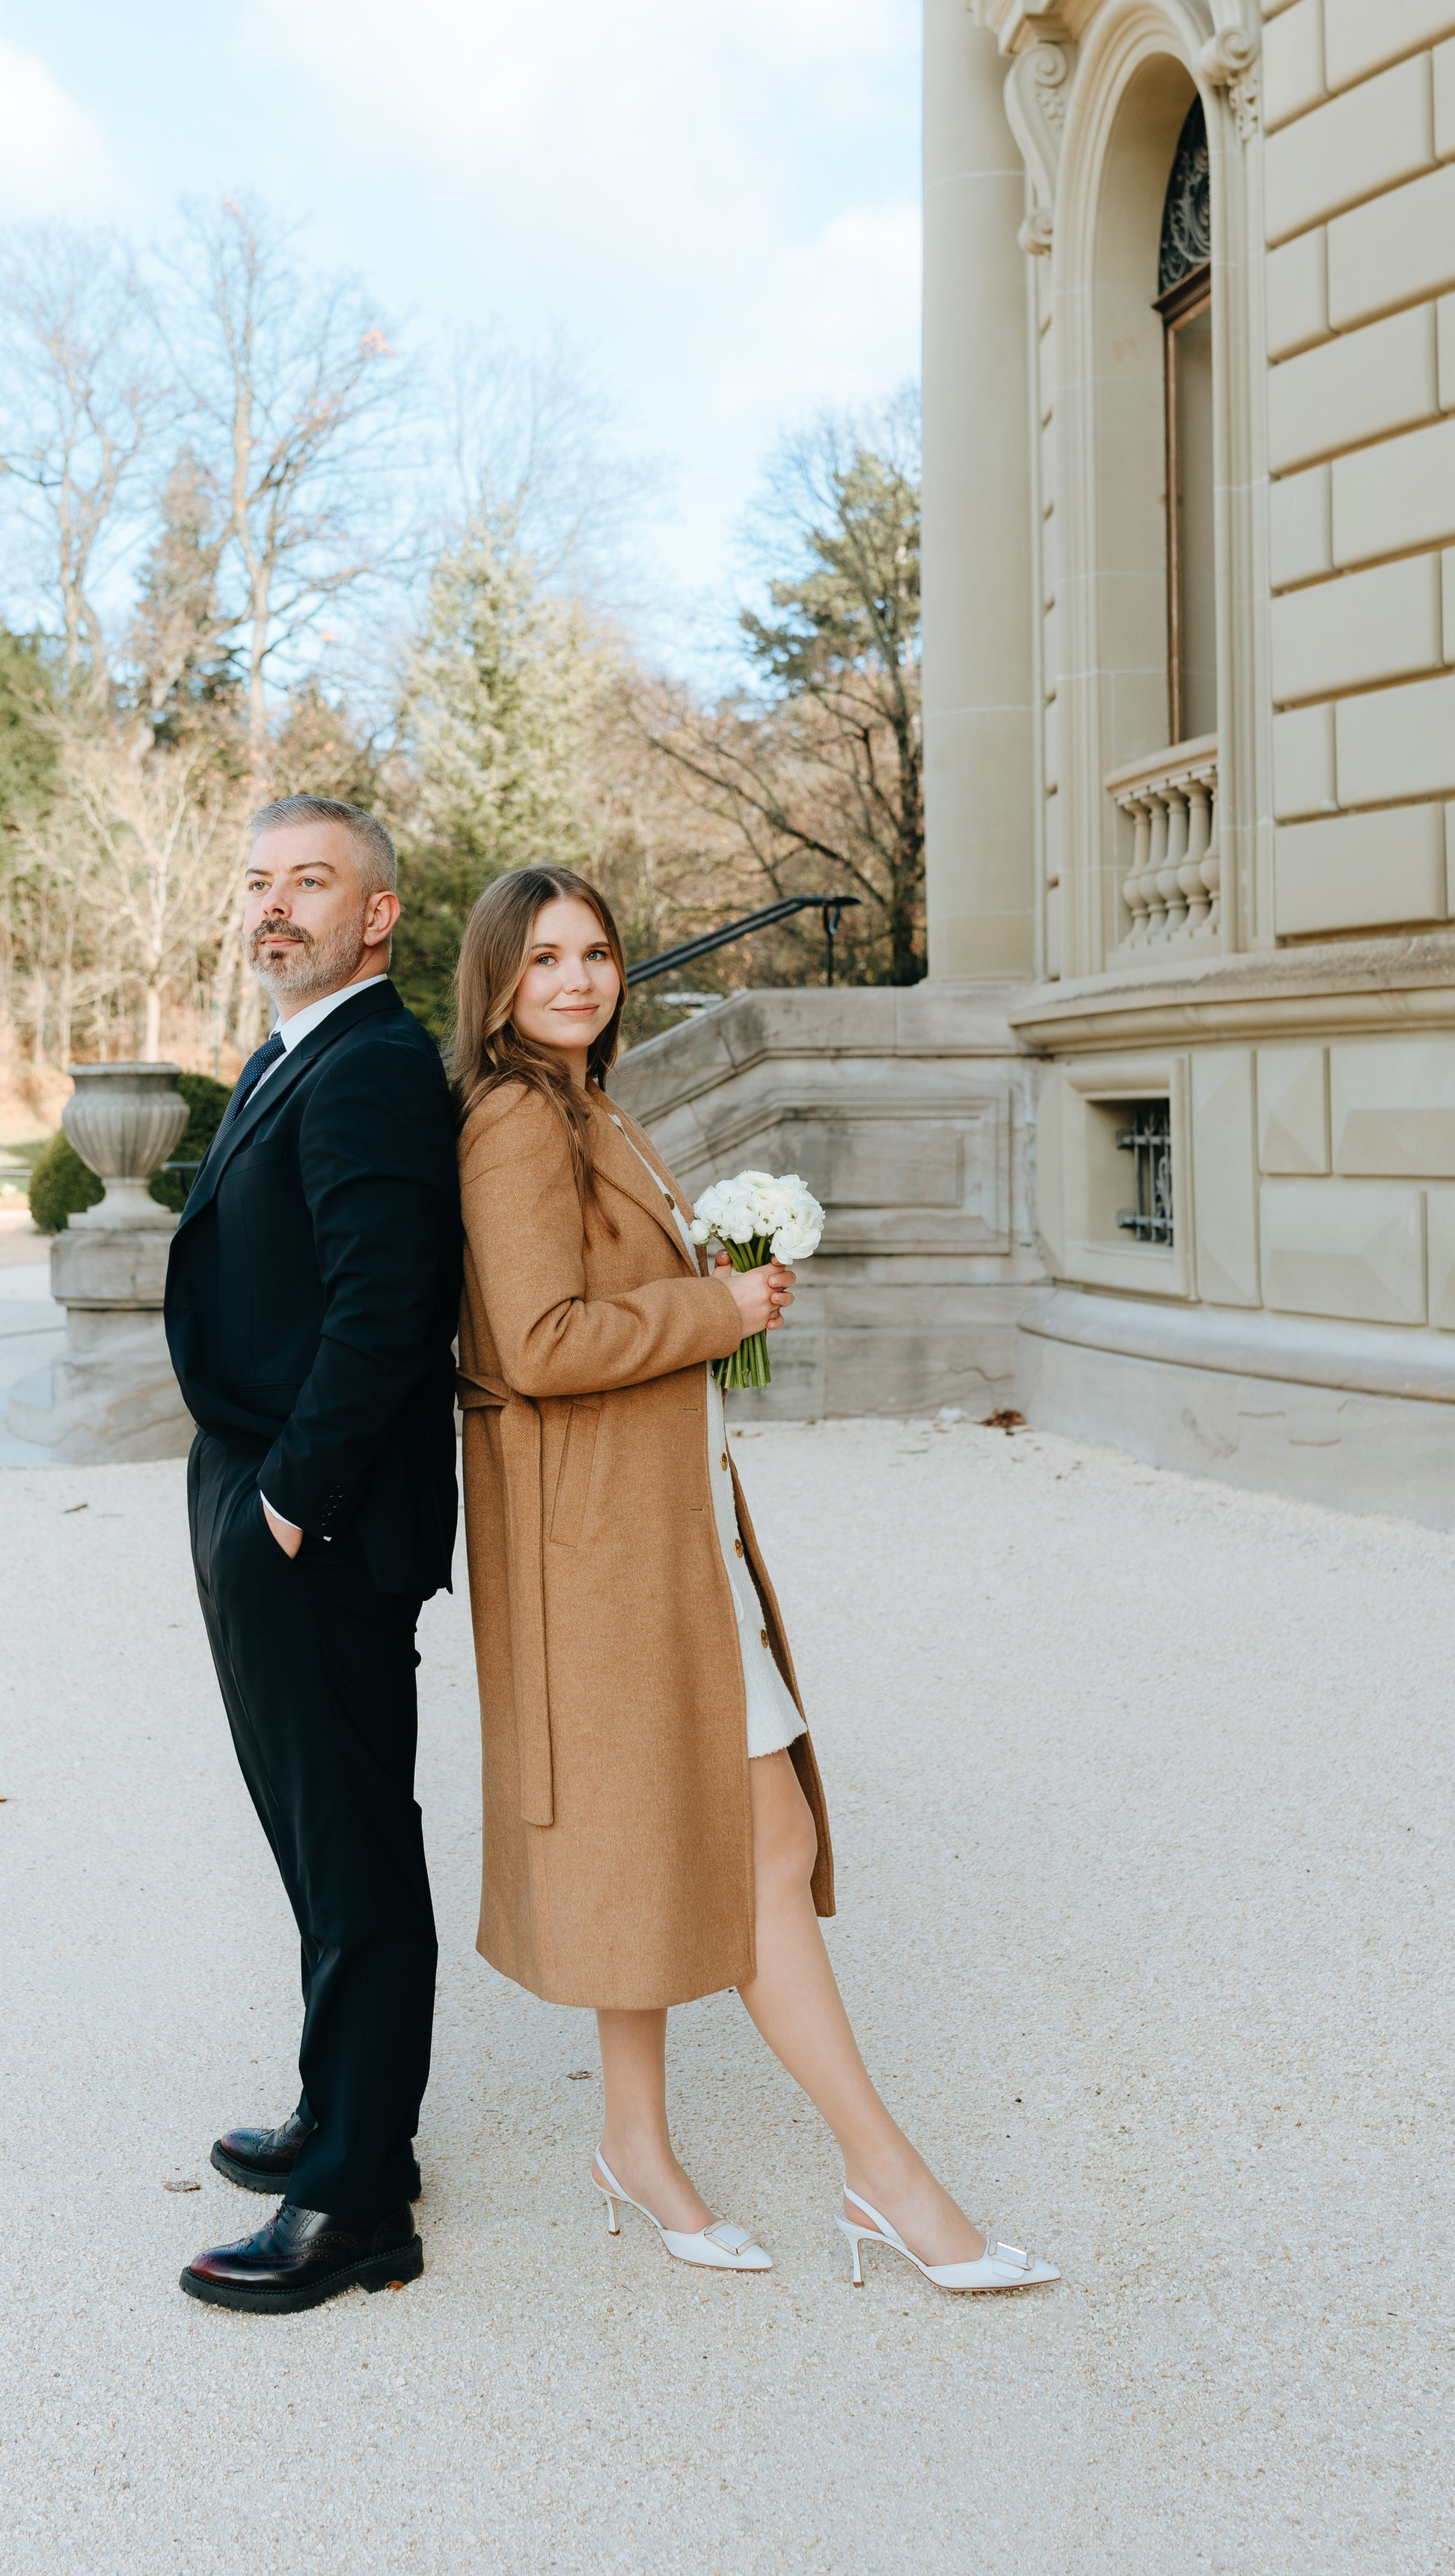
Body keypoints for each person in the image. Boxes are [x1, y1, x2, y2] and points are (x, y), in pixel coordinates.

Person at [453, 864, 1058, 2293]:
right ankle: (888, 2178)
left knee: (671, 1837)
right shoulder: (513, 1122)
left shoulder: (589, 1107)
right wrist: (709, 1307)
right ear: (498, 980)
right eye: (544, 959)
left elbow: (594, 1301)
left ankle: (634, 2142)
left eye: (596, 953)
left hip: (663, 1526)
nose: (579, 981)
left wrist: (713, 1283)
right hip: (605, 1548)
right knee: (754, 1837)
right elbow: (536, 1342)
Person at [164, 795, 461, 2315]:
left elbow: (383, 1312)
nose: (276, 905)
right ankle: (337, 2110)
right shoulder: (290, 1049)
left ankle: (359, 2199)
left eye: (313, 882)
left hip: (317, 1524)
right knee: (310, 1836)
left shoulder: (376, 1072)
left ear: (376, 915)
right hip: (260, 1498)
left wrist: (286, 1504)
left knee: (351, 1850)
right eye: (261, 879)